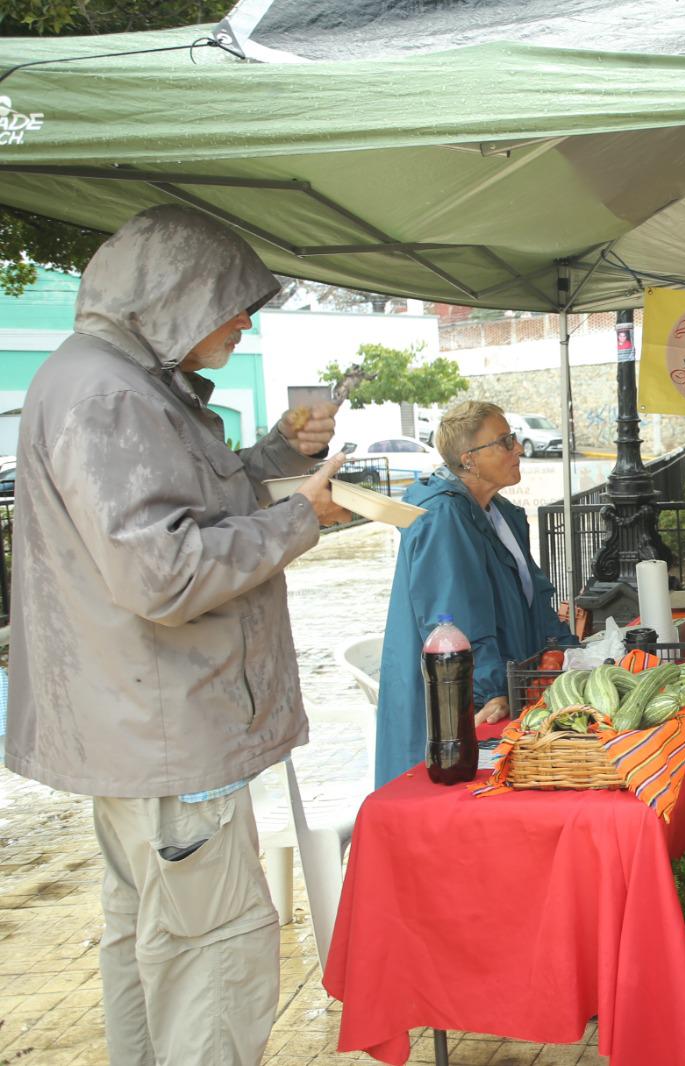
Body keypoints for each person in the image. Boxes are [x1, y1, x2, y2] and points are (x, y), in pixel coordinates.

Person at [4, 204, 350, 1065]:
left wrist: (273, 457)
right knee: (215, 959)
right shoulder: (112, 394)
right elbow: (165, 574)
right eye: (232, 303)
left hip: (138, 733)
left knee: (151, 943)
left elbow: (182, 502)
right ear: (174, 298)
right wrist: (297, 520)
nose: (244, 321)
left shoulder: (111, 380)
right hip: (165, 732)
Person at [374, 400, 573, 787]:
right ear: (469, 459)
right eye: (505, 441)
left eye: (513, 439)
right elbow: (451, 622)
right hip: (456, 709)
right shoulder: (444, 517)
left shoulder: (500, 513)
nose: (518, 449)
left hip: (508, 687)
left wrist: (565, 649)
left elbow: (533, 596)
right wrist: (491, 691)